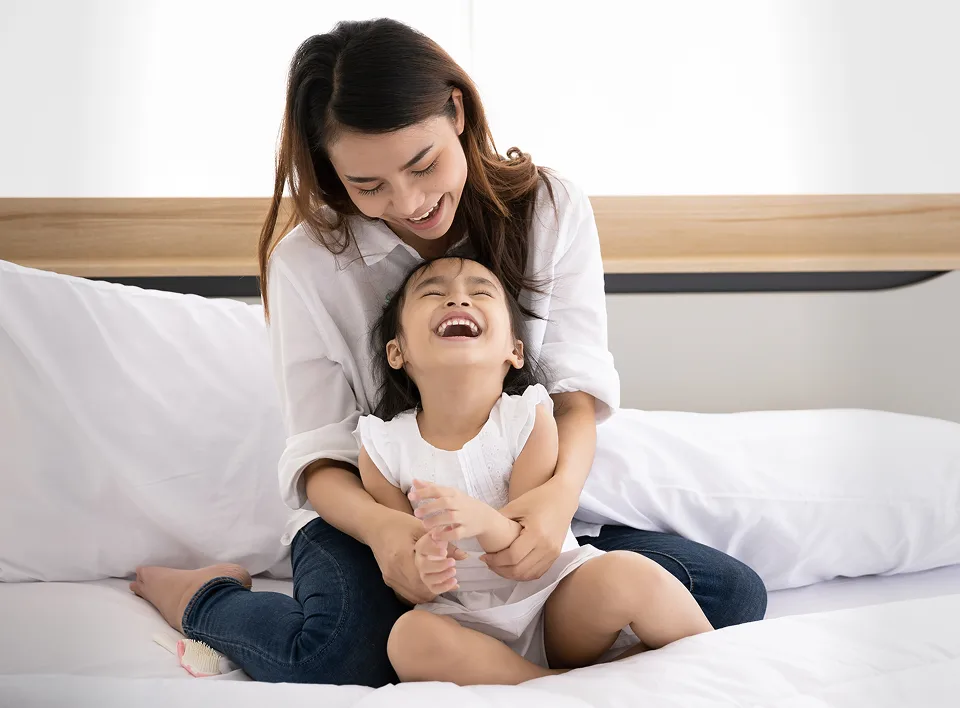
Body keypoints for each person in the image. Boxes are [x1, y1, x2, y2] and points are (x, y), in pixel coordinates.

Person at [130, 17, 765, 686]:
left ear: (456, 110)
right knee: (340, 655)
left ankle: (523, 650)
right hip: (368, 516)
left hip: (518, 503)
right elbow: (320, 455)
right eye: (367, 185)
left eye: (422, 163)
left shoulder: (551, 208)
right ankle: (202, 598)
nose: (406, 202)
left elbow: (575, 393)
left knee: (728, 595)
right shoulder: (308, 263)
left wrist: (550, 508)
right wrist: (385, 532)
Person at [360, 256, 713, 685]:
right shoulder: (382, 446)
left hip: (551, 599)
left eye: (480, 293)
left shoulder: (528, 417)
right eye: (434, 292)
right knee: (407, 638)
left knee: (629, 573)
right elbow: (402, 572)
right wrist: (425, 565)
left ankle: (718, 668)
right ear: (397, 352)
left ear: (514, 350)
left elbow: (527, 549)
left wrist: (481, 519)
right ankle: (550, 682)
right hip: (461, 617)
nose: (458, 298)